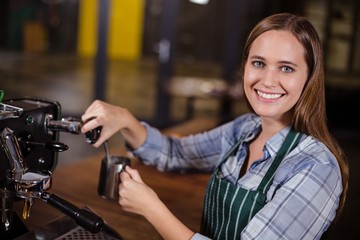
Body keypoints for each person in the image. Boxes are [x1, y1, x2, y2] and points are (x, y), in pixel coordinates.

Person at [81, 13, 349, 240]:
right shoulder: (245, 130)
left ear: (310, 78)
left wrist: (152, 209)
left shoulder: (316, 168)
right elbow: (175, 153)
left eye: (286, 68)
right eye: (258, 63)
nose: (267, 80)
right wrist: (125, 119)